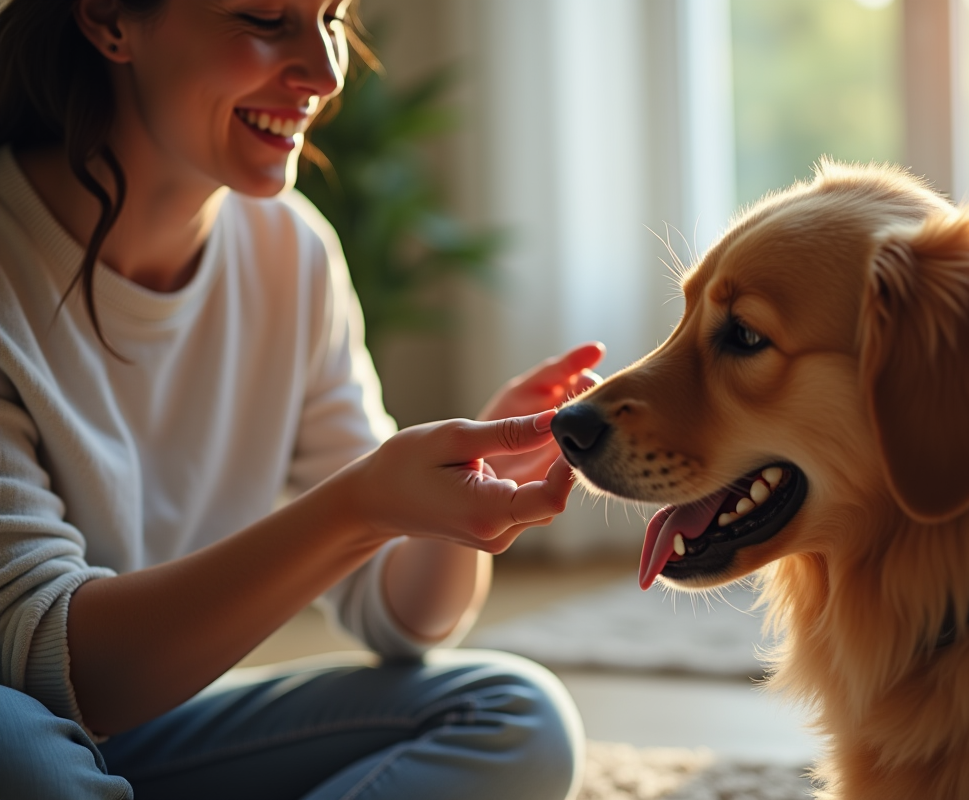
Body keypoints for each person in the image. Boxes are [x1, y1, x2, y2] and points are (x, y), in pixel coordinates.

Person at [0, 0, 605, 797]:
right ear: (111, 19)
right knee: (23, 747)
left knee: (514, 715)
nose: (324, 72)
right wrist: (361, 504)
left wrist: (454, 499)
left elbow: (400, 614)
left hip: (154, 733)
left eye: (330, 16)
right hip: (28, 727)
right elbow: (56, 671)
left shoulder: (292, 251)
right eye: (262, 17)